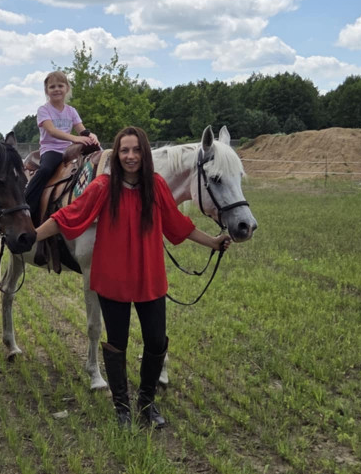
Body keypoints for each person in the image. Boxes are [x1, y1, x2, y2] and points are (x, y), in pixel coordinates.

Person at [33, 126, 232, 428]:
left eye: (136, 150)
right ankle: (122, 407)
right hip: (112, 281)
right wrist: (31, 236)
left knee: (155, 343)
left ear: (144, 154)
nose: (130, 156)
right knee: (118, 343)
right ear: (117, 154)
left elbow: (179, 225)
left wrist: (214, 242)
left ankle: (147, 404)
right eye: (124, 150)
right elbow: (68, 216)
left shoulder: (156, 186)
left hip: (150, 279)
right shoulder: (102, 186)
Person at [24, 71, 98, 264]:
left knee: (93, 161)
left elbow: (82, 129)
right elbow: (51, 130)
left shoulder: (71, 110)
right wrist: (75, 138)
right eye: (52, 87)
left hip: (69, 151)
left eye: (60, 86)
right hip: (51, 150)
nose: (56, 89)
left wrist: (91, 137)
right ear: (47, 91)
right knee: (46, 170)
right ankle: (27, 204)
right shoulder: (44, 110)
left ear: (67, 89)